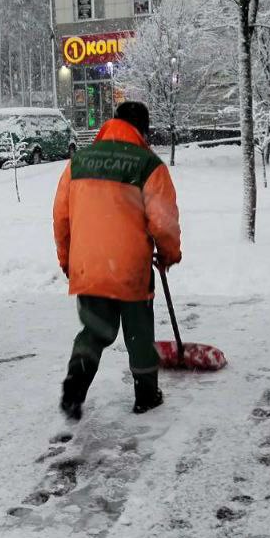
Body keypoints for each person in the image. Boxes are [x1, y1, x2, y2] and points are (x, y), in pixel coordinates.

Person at [52, 100, 181, 419]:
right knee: (138, 333)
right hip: (130, 269)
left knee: (94, 330)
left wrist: (68, 261)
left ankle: (75, 386)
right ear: (142, 130)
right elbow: (163, 221)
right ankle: (146, 396)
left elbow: (61, 218)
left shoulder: (78, 162)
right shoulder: (148, 164)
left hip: (89, 266)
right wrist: (168, 254)